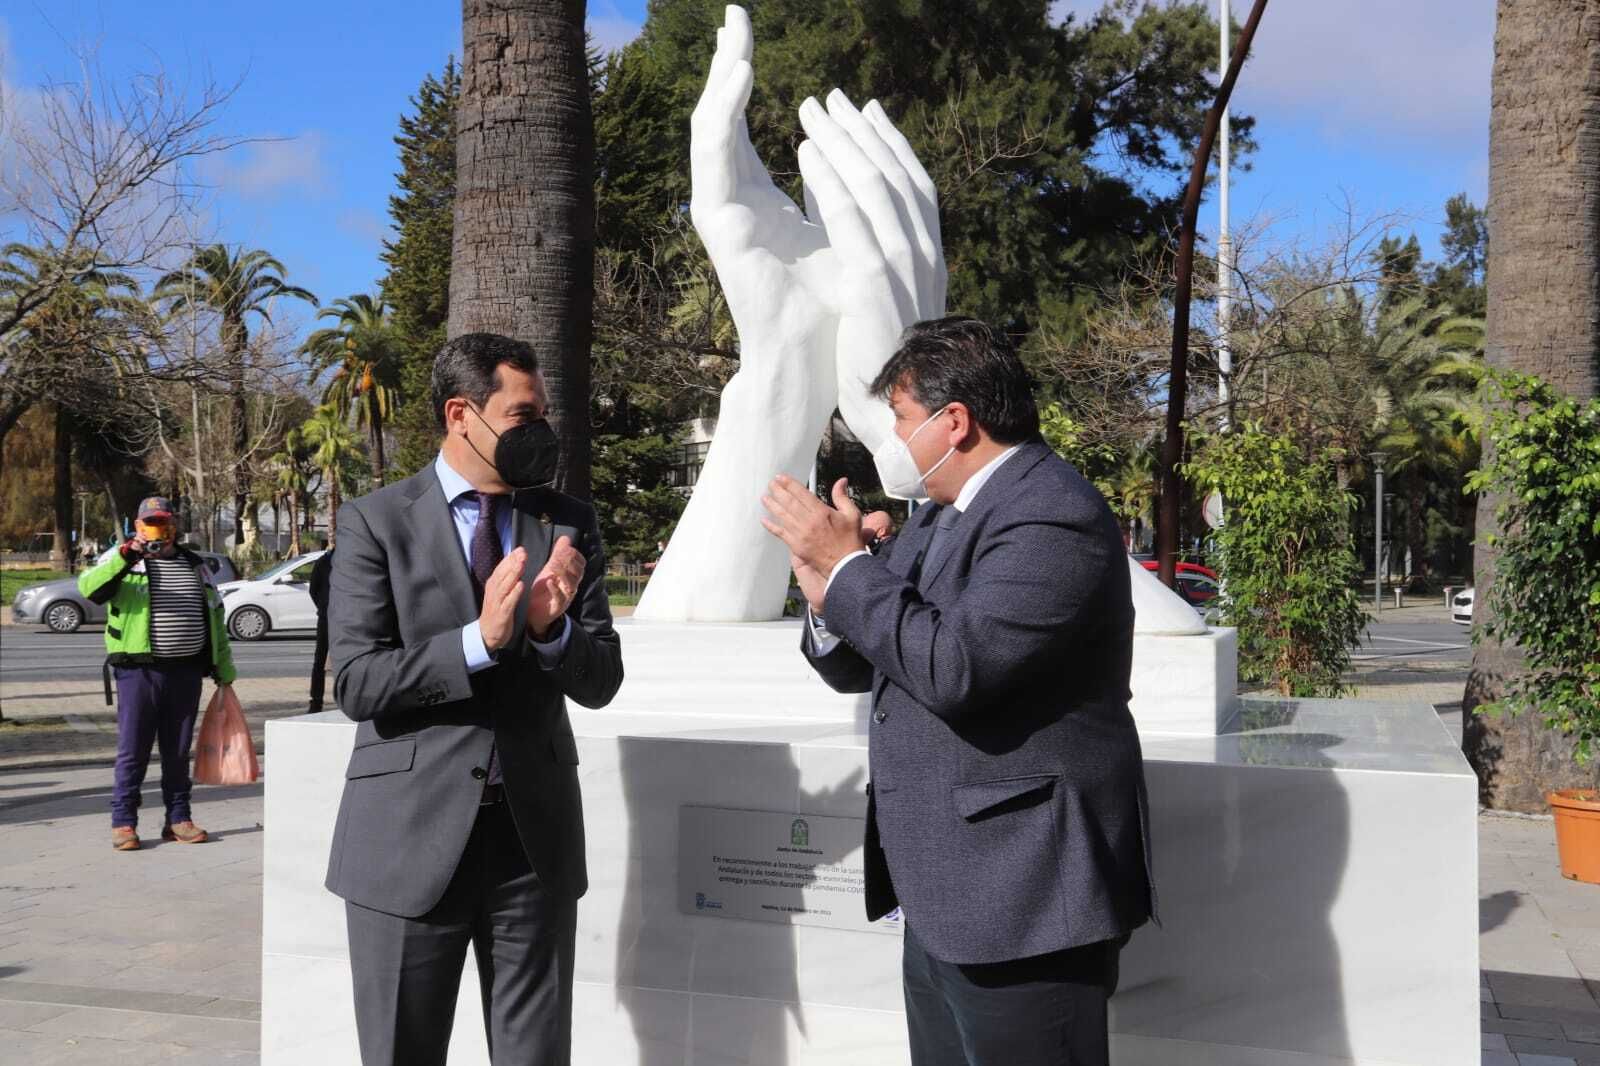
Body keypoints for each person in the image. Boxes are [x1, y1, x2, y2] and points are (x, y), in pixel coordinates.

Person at [761, 316, 1156, 1066]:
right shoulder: (942, 515)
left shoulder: (1050, 511)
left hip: (1027, 898)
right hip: (947, 893)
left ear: (955, 422)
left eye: (903, 420)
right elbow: (869, 661)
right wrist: (827, 593)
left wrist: (850, 571)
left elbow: (954, 668)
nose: (896, 444)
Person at [325, 332, 623, 1066]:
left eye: (544, 412)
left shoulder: (567, 521)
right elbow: (358, 681)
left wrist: (551, 634)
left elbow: (602, 680)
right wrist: (476, 642)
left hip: (532, 845)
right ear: (462, 413)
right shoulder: (374, 522)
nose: (540, 431)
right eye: (523, 414)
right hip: (406, 840)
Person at [79, 497, 237, 851]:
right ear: (137, 526)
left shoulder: (195, 565)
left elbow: (215, 619)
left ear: (173, 525)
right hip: (138, 672)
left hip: (186, 673)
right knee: (133, 750)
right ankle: (124, 823)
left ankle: (178, 819)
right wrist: (127, 554)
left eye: (162, 521)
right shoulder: (122, 560)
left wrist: (224, 669)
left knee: (177, 751)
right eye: (149, 522)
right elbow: (89, 589)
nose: (157, 529)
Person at [307, 543, 333, 713]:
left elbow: (313, 590)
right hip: (333, 617)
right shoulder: (325, 561)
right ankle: (316, 701)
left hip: (329, 616)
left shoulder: (324, 561)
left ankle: (316, 702)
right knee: (320, 661)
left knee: (320, 661)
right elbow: (314, 589)